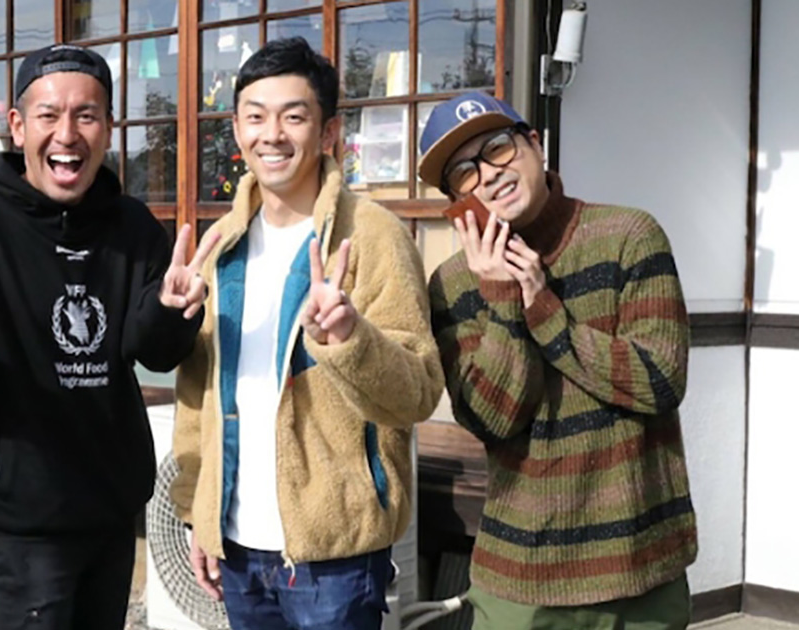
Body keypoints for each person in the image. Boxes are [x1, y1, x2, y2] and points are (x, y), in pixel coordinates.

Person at [0, 43, 213, 630]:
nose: (67, 134)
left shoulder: (132, 227)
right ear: (18, 127)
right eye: (49, 115)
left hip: (111, 507)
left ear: (108, 128)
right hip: (22, 516)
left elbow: (155, 351)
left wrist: (174, 312)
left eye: (86, 116)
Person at [169, 37, 445, 630]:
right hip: (237, 544)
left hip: (336, 553)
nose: (272, 135)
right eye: (255, 117)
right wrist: (199, 511)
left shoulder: (371, 236)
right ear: (237, 130)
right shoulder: (221, 245)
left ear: (328, 133)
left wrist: (349, 338)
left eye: (293, 117)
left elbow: (419, 392)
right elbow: (198, 392)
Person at [423, 92, 697, 629]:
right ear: (457, 201)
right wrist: (503, 298)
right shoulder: (453, 285)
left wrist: (546, 313)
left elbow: (660, 380)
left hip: (640, 567)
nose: (488, 175)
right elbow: (492, 419)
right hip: (520, 578)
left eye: (497, 148)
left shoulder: (629, 237)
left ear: (535, 143)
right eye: (464, 173)